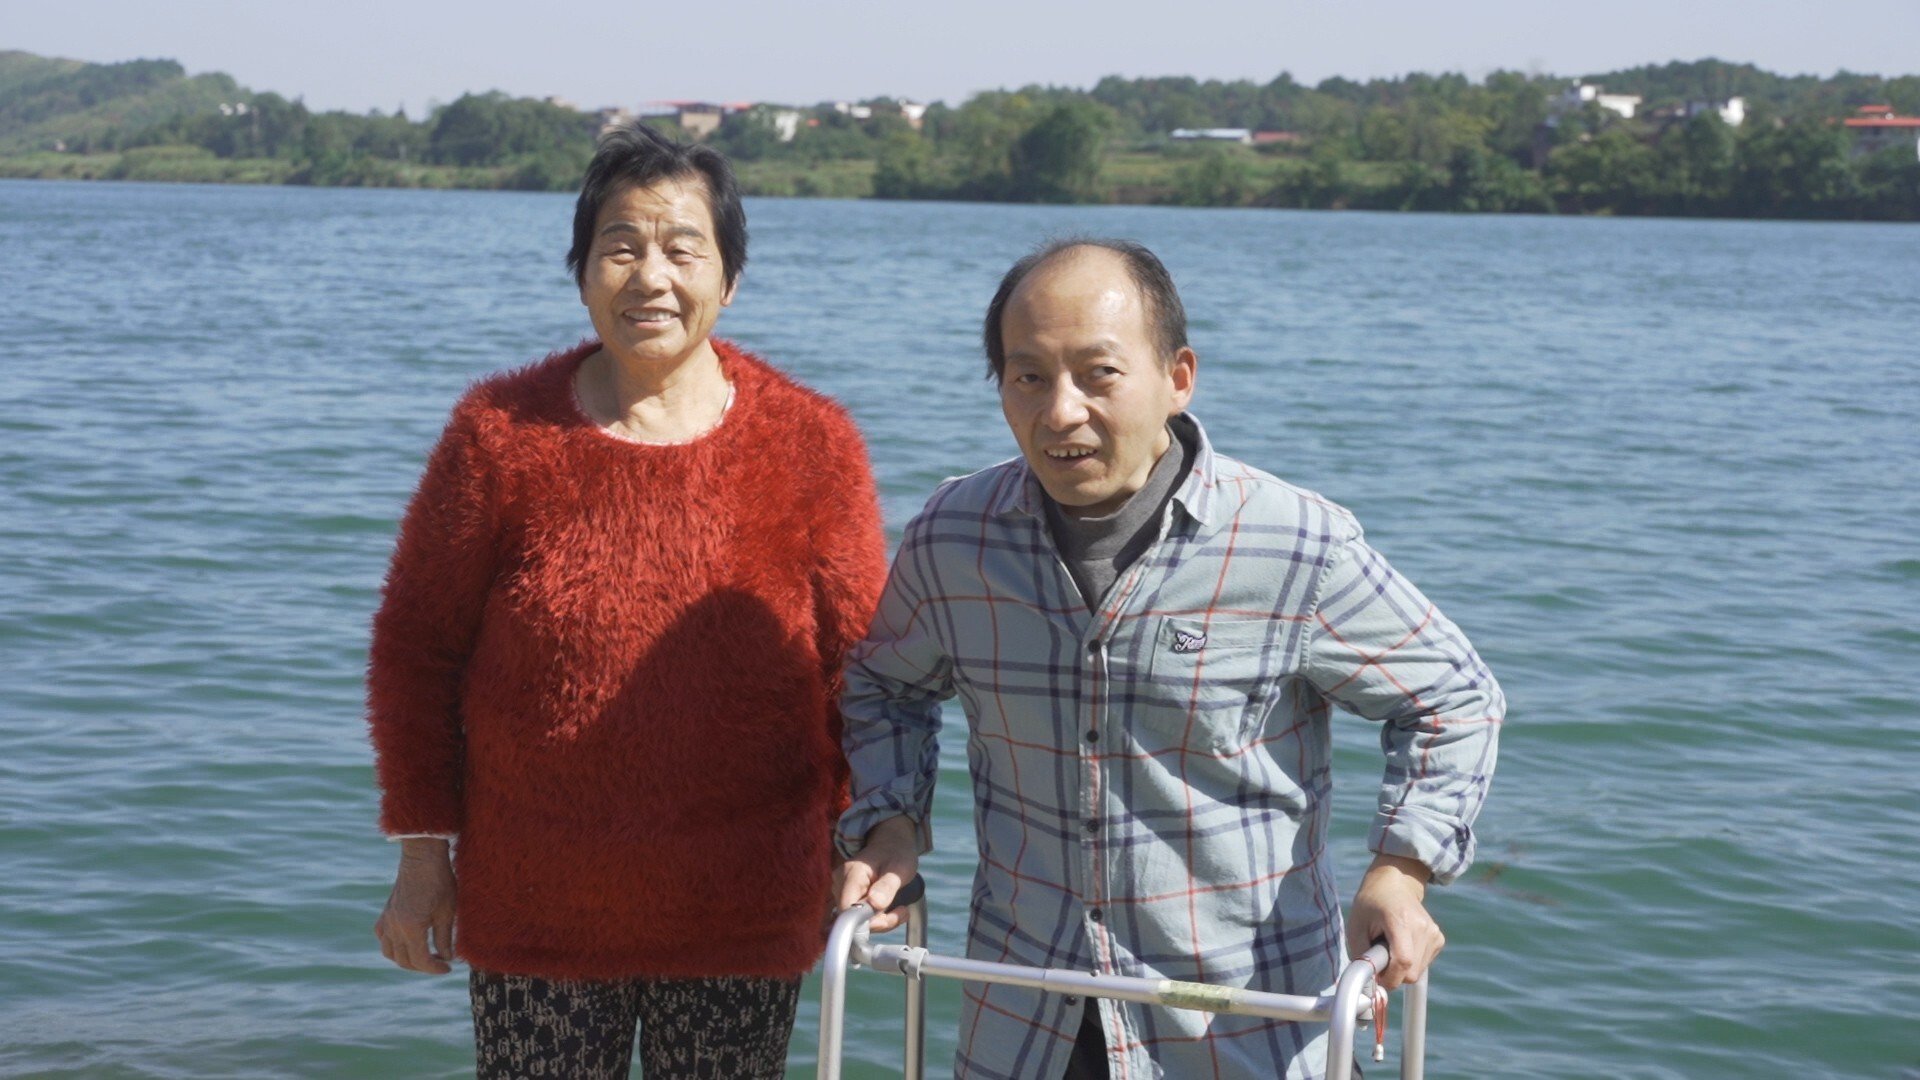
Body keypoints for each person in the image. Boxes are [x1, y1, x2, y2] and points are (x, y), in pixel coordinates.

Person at [835, 239, 1504, 1079]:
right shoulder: (954, 537)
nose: (1061, 412)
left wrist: (1401, 871)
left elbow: (1454, 697)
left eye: (1098, 374)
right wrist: (892, 822)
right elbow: (885, 685)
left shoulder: (1295, 544)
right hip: (1022, 1016)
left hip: (1245, 1028)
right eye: (1028, 376)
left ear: (1178, 376)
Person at [366, 123, 888, 1079]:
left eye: (684, 248)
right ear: (581, 271)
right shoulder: (498, 436)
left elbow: (867, 670)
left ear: (729, 279)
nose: (651, 276)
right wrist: (421, 854)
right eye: (621, 246)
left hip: (745, 906)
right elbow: (416, 648)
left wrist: (864, 842)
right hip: (537, 908)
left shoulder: (813, 445)